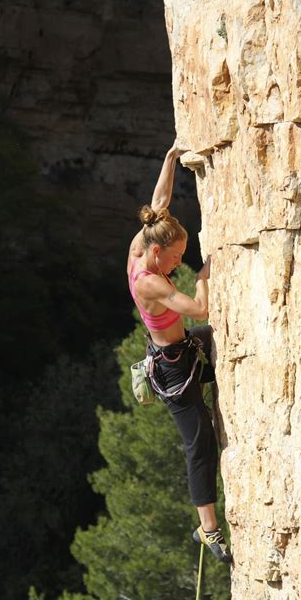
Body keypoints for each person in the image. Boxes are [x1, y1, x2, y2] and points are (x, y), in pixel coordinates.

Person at [127, 141, 232, 564]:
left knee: (218, 340)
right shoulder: (150, 282)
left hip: (182, 350)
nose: (178, 264)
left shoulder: (142, 245)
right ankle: (208, 530)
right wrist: (204, 274)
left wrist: (170, 157)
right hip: (172, 373)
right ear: (157, 253)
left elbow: (159, 203)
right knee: (199, 443)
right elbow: (199, 307)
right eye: (175, 258)